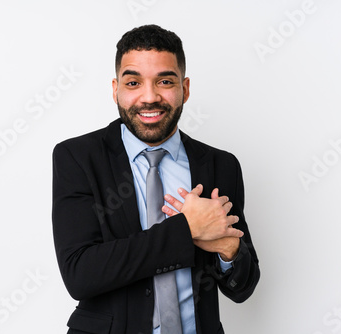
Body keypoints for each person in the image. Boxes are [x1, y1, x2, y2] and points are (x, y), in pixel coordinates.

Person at [52, 24, 260, 334]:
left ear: (185, 89)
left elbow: (242, 287)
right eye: (133, 82)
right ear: (115, 90)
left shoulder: (220, 164)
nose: (149, 97)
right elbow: (81, 275)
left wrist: (229, 251)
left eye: (164, 81)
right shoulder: (78, 157)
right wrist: (186, 229)